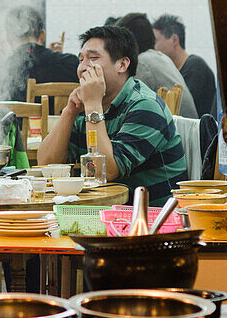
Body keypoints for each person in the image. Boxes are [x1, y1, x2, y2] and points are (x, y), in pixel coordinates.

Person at [37, 26, 187, 206]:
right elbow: (47, 165)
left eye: (93, 58)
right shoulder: (87, 105)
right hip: (105, 211)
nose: (83, 67)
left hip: (152, 218)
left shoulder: (145, 105)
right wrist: (69, 112)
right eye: (81, 59)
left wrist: (93, 105)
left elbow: (106, 171)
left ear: (122, 65)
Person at [0, 5, 78, 101]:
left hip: (15, 127)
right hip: (62, 126)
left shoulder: (2, 73)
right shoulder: (71, 64)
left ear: (9, 38)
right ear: (42, 35)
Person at [116, 13, 198, 118]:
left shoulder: (142, 63)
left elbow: (126, 105)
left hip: (177, 131)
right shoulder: (159, 57)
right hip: (186, 129)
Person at [153, 14, 219, 118]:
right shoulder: (174, 70)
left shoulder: (195, 67)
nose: (153, 47)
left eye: (156, 41)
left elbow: (180, 109)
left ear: (174, 40)